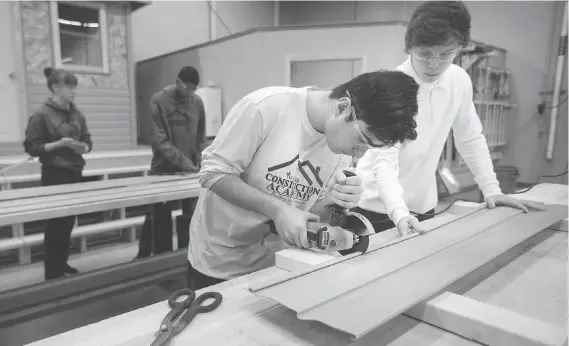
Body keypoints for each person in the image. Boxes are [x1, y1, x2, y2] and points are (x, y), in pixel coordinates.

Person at [186, 70, 421, 290]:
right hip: (220, 262)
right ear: (343, 108)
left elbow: (312, 214)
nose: (358, 155)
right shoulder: (266, 108)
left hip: (278, 264)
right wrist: (277, 210)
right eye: (361, 140)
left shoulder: (339, 149)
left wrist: (336, 202)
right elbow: (212, 173)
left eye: (369, 148)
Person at [354, 1, 546, 236]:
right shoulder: (391, 87)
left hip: (423, 205)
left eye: (446, 54)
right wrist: (399, 212)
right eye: (424, 54)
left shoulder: (459, 80)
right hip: (377, 206)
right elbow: (384, 163)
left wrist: (491, 189)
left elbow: (470, 138)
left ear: (460, 48)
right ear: (410, 47)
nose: (434, 64)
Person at [24, 67, 92, 281]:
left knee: (68, 221)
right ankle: (52, 272)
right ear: (55, 87)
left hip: (74, 171)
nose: (73, 91)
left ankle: (62, 262)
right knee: (55, 224)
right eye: (69, 86)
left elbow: (89, 142)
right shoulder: (42, 114)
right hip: (54, 173)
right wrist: (59, 144)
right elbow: (32, 148)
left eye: (74, 86)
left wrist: (83, 147)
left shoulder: (76, 113)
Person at [135, 66, 206, 259]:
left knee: (190, 217)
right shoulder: (158, 101)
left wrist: (200, 157)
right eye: (187, 89)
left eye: (193, 90)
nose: (189, 94)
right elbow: (161, 141)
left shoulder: (197, 102)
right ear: (177, 82)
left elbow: (201, 136)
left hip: (190, 170)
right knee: (159, 218)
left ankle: (186, 257)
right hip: (163, 168)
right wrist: (186, 163)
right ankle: (156, 258)